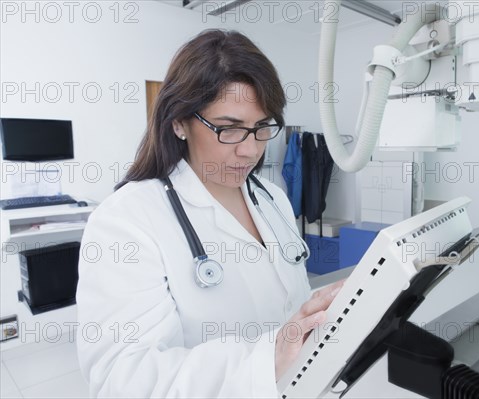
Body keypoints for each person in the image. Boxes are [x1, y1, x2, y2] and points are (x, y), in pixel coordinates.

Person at [76, 29, 343, 398]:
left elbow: (287, 304)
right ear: (179, 123)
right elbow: (120, 379)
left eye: (262, 127)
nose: (250, 150)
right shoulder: (127, 221)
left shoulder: (272, 199)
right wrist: (266, 360)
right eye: (229, 129)